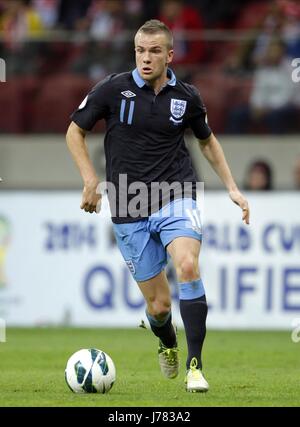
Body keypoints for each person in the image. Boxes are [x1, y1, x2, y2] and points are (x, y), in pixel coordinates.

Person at [66, 19, 250, 392]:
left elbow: (207, 141)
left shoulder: (187, 97)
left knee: (187, 264)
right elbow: (75, 131)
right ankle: (166, 341)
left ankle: (195, 368)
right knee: (160, 307)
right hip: (128, 203)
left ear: (169, 54)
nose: (145, 58)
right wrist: (89, 179)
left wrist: (231, 186)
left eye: (153, 51)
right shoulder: (113, 89)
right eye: (139, 50)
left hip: (176, 193)